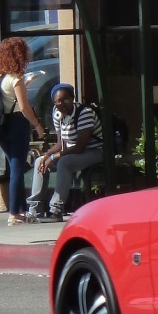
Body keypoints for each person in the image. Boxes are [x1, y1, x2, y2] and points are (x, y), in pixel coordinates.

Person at [25, 83, 103, 224]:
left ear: (72, 98)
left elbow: (79, 147)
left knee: (64, 162)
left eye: (65, 100)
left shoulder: (84, 113)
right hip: (72, 152)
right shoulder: (58, 113)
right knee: (39, 161)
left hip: (94, 151)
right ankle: (34, 210)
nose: (62, 104)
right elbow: (61, 143)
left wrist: (54, 157)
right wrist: (47, 155)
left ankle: (56, 210)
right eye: (57, 101)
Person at [0, 36, 45, 226]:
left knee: (15, 165)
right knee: (17, 167)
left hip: (2, 125)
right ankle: (15, 213)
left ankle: (20, 212)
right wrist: (37, 125)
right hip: (17, 124)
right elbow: (24, 107)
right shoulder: (16, 78)